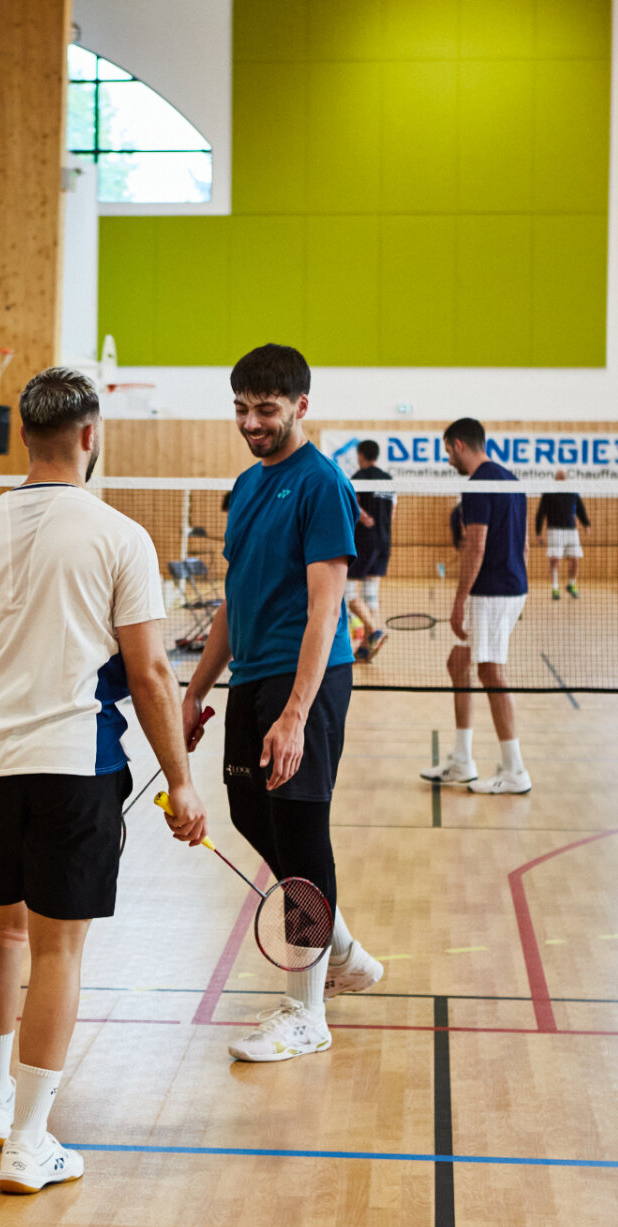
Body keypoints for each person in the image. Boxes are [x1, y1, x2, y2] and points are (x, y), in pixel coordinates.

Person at [0, 367, 208, 1194]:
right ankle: (28, 1142)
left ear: (24, 435)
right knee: (57, 948)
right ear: (90, 436)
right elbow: (149, 672)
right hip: (75, 766)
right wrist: (183, 781)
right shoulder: (120, 536)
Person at [180, 344, 383, 1063]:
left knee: (299, 835)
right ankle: (342, 951)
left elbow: (327, 610)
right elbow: (234, 603)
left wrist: (295, 713)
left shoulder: (322, 484)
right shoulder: (247, 485)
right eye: (240, 408)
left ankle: (307, 1013)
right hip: (252, 677)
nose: (250, 423)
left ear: (301, 406)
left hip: (306, 681)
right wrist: (195, 690)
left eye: (265, 409)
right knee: (248, 812)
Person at [419, 418, 532, 794]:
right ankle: (462, 760)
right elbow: (524, 545)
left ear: (458, 445)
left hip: (492, 591)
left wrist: (458, 600)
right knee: (458, 664)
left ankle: (515, 771)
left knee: (491, 673)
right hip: (507, 587)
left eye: (448, 451)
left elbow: (476, 545)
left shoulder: (478, 483)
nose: (448, 459)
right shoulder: (511, 480)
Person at [346, 438, 393, 660]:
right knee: (370, 594)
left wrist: (363, 517)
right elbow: (393, 511)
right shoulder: (388, 480)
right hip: (385, 540)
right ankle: (367, 646)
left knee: (347, 594)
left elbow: (353, 504)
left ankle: (374, 630)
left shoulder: (359, 477)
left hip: (365, 541)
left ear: (361, 455)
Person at [535, 469, 589, 600]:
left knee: (575, 559)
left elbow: (580, 509)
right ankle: (555, 588)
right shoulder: (548, 494)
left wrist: (586, 524)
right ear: (555, 479)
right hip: (554, 531)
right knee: (555, 560)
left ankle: (571, 584)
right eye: (559, 477)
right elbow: (540, 513)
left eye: (563, 477)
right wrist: (538, 532)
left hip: (571, 531)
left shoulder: (573, 493)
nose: (562, 479)